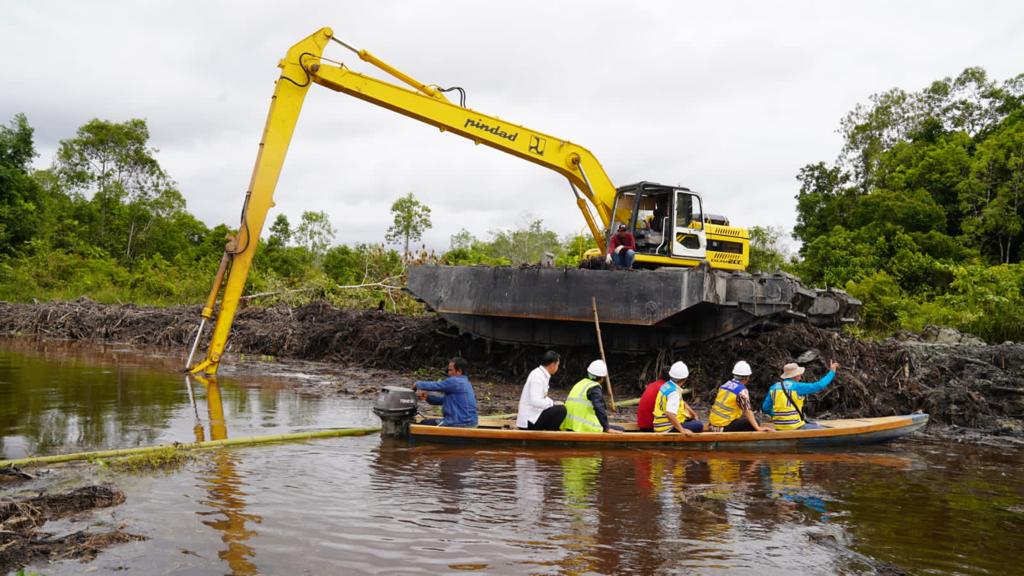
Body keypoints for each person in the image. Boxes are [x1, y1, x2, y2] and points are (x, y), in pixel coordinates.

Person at [762, 360, 840, 430]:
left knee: (812, 423)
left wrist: (779, 416)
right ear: (795, 376)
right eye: (799, 374)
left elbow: (765, 408)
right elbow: (819, 385)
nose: (800, 376)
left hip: (779, 426)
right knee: (826, 429)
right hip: (795, 427)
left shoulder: (773, 387)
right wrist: (832, 372)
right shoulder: (797, 387)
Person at [707, 361, 773, 433]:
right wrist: (758, 428)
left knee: (744, 418)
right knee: (755, 422)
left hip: (712, 425)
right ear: (747, 378)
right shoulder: (741, 391)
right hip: (723, 427)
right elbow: (747, 411)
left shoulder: (725, 385)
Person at [412, 357, 478, 427]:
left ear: (459, 371)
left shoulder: (455, 381)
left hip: (460, 423)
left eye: (450, 370)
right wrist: (428, 397)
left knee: (424, 423)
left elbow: (436, 385)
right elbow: (445, 400)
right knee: (426, 422)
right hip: (471, 422)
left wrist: (417, 384)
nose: (448, 373)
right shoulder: (466, 382)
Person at [560, 360, 623, 434]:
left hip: (569, 425)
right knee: (621, 429)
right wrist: (606, 428)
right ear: (602, 378)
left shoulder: (580, 383)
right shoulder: (594, 388)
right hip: (584, 427)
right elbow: (599, 408)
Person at [516, 350, 567, 430]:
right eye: (558, 365)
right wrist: (552, 404)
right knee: (561, 410)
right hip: (529, 421)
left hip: (533, 416)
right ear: (552, 365)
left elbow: (542, 397)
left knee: (559, 407)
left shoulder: (541, 374)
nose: (558, 368)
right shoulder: (537, 376)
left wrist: (553, 403)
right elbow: (535, 401)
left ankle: (551, 432)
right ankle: (550, 436)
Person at [652, 361, 704, 434]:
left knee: (692, 420)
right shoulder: (674, 393)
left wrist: (693, 414)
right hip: (666, 428)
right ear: (685, 379)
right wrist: (682, 430)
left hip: (659, 424)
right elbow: (669, 413)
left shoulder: (667, 385)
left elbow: (681, 402)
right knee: (699, 425)